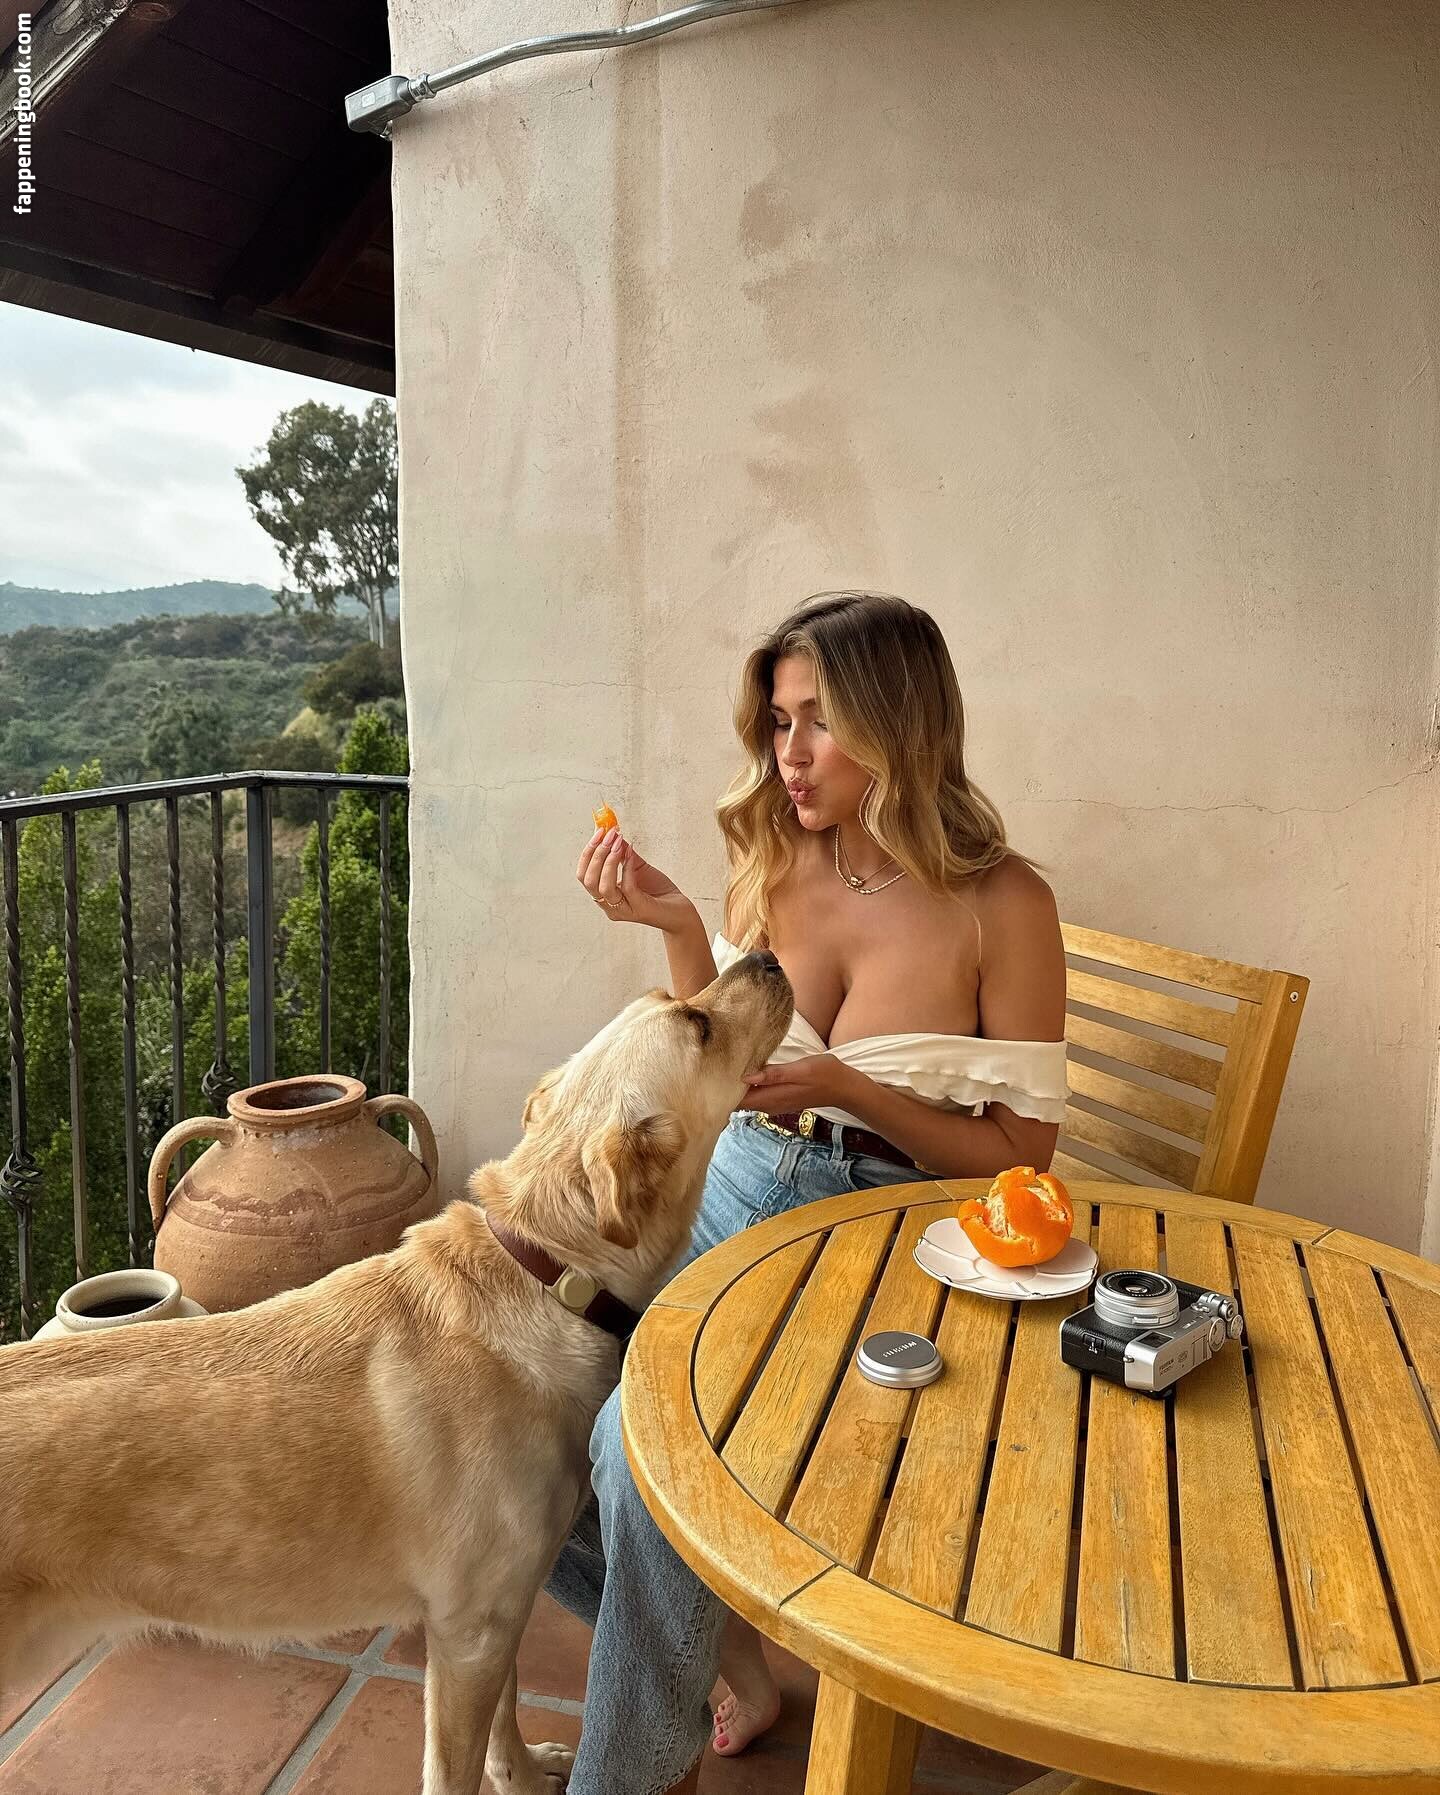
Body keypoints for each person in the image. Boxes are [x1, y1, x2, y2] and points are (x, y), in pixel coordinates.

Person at [550, 591, 1068, 1795]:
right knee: (528, 1412)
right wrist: (680, 925)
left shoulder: (1004, 905)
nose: (789, 753)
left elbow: (1021, 1158)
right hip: (733, 1185)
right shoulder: (779, 856)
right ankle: (725, 1662)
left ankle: (625, 1776)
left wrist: (852, 1088)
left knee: (636, 1451)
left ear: (901, 722)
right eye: (779, 720)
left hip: (878, 1228)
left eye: (820, 721)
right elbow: (728, 1062)